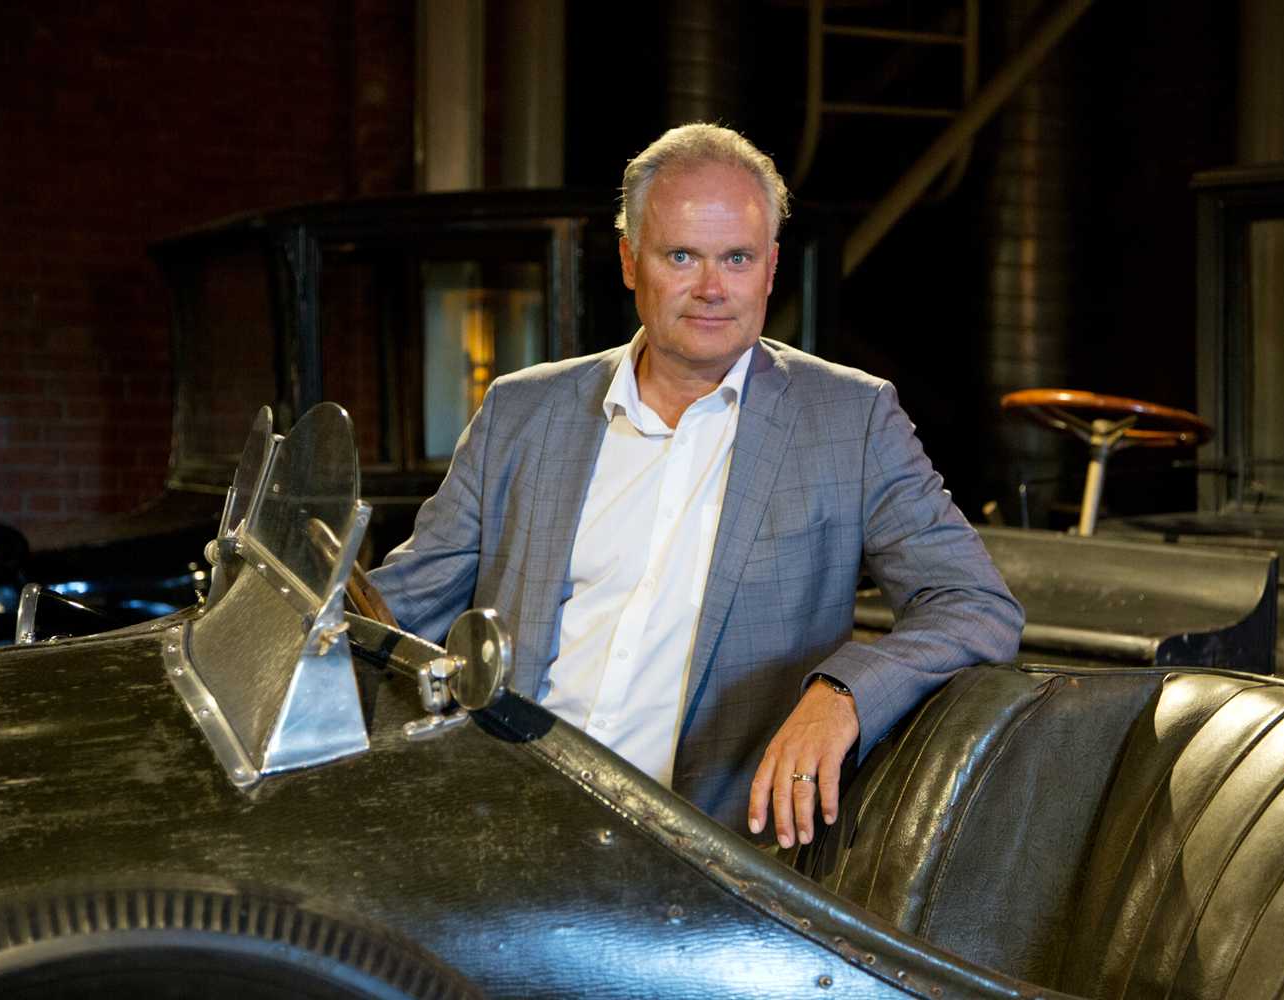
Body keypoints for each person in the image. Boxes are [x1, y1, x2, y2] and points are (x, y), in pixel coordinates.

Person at [368, 124, 1023, 848]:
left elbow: (975, 605)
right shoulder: (522, 411)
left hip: (703, 862)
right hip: (500, 826)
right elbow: (403, 604)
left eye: (737, 259)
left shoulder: (851, 421)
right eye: (682, 256)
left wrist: (843, 694)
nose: (712, 289)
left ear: (770, 268)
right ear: (629, 260)